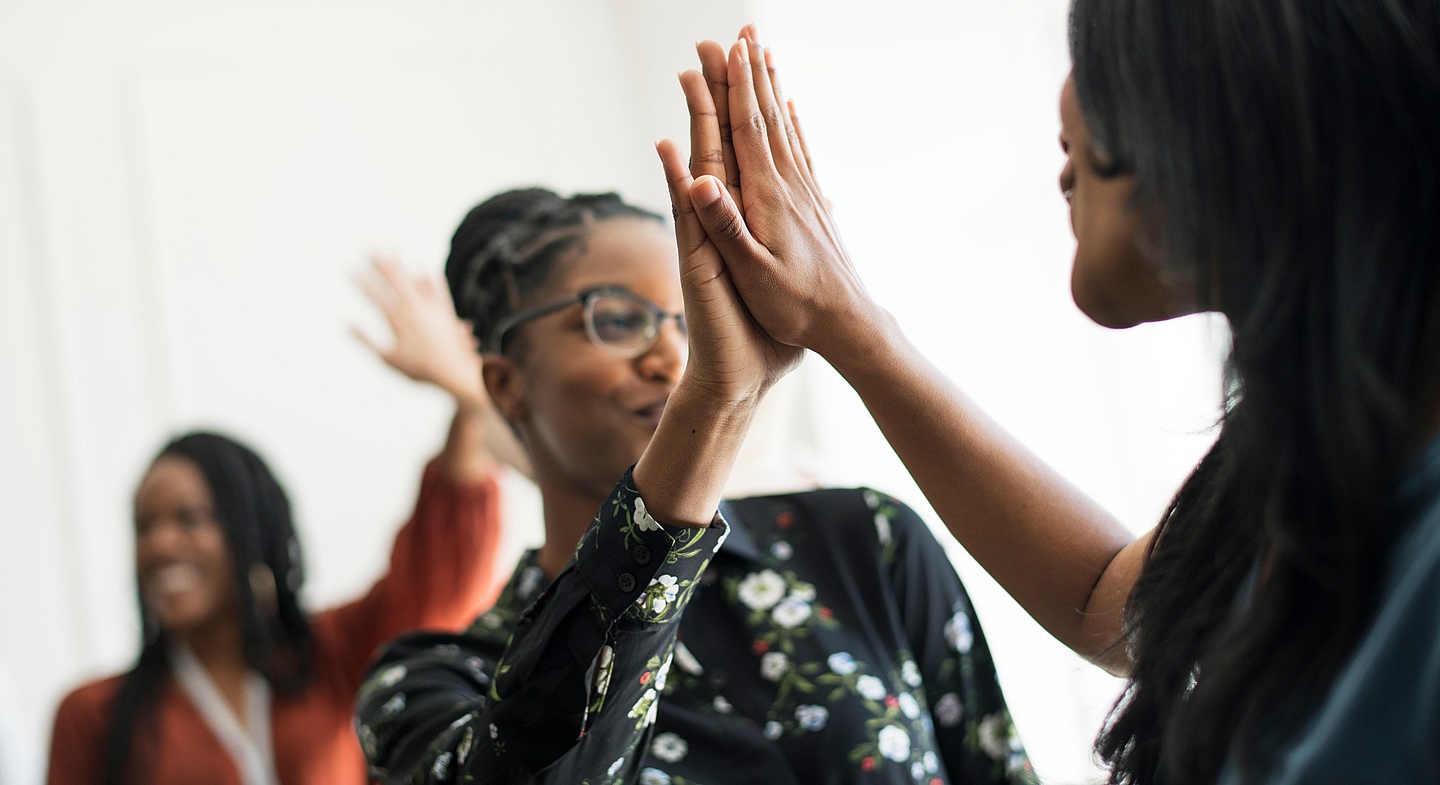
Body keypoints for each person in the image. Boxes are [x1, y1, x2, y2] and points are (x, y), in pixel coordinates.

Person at [665, 0, 1440, 782]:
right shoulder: (1327, 453)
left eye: (1105, 47)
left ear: (1265, 84)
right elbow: (1115, 602)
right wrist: (847, 327)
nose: (1064, 107)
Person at [353, 187, 1036, 783]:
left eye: (692, 319)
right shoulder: (435, 682)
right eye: (617, 320)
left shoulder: (866, 540)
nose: (672, 354)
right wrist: (709, 411)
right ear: (503, 384)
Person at [47, 257, 517, 785]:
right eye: (144, 526)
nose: (160, 544)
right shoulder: (93, 716)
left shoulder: (332, 657)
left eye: (188, 519)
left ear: (251, 529)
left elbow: (438, 568)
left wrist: (463, 383)